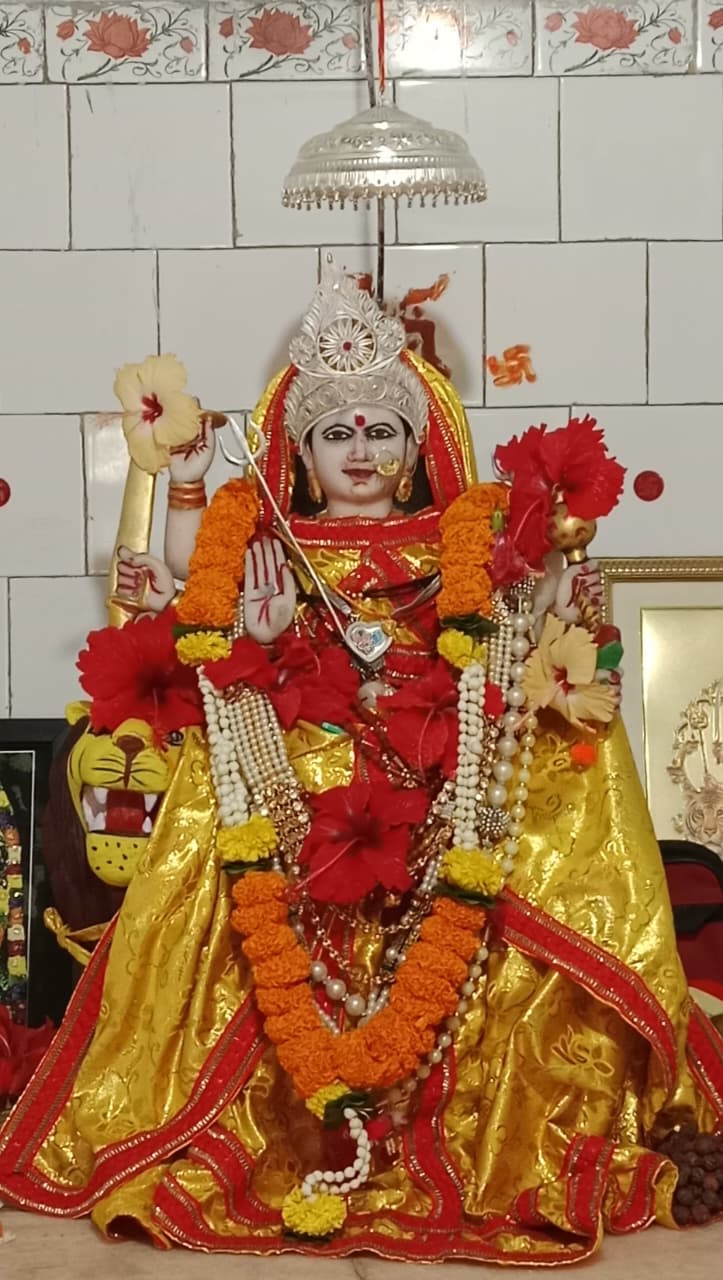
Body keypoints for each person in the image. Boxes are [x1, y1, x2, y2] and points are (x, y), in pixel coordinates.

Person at [0, 262, 721, 1264]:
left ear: (417, 449)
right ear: (302, 453)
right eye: (337, 432)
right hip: (303, 779)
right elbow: (206, 615)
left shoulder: (461, 539)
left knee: (545, 754)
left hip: (446, 773)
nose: (362, 451)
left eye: (382, 430)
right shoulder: (277, 543)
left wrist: (560, 603)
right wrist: (256, 634)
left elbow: (509, 639)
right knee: (244, 773)